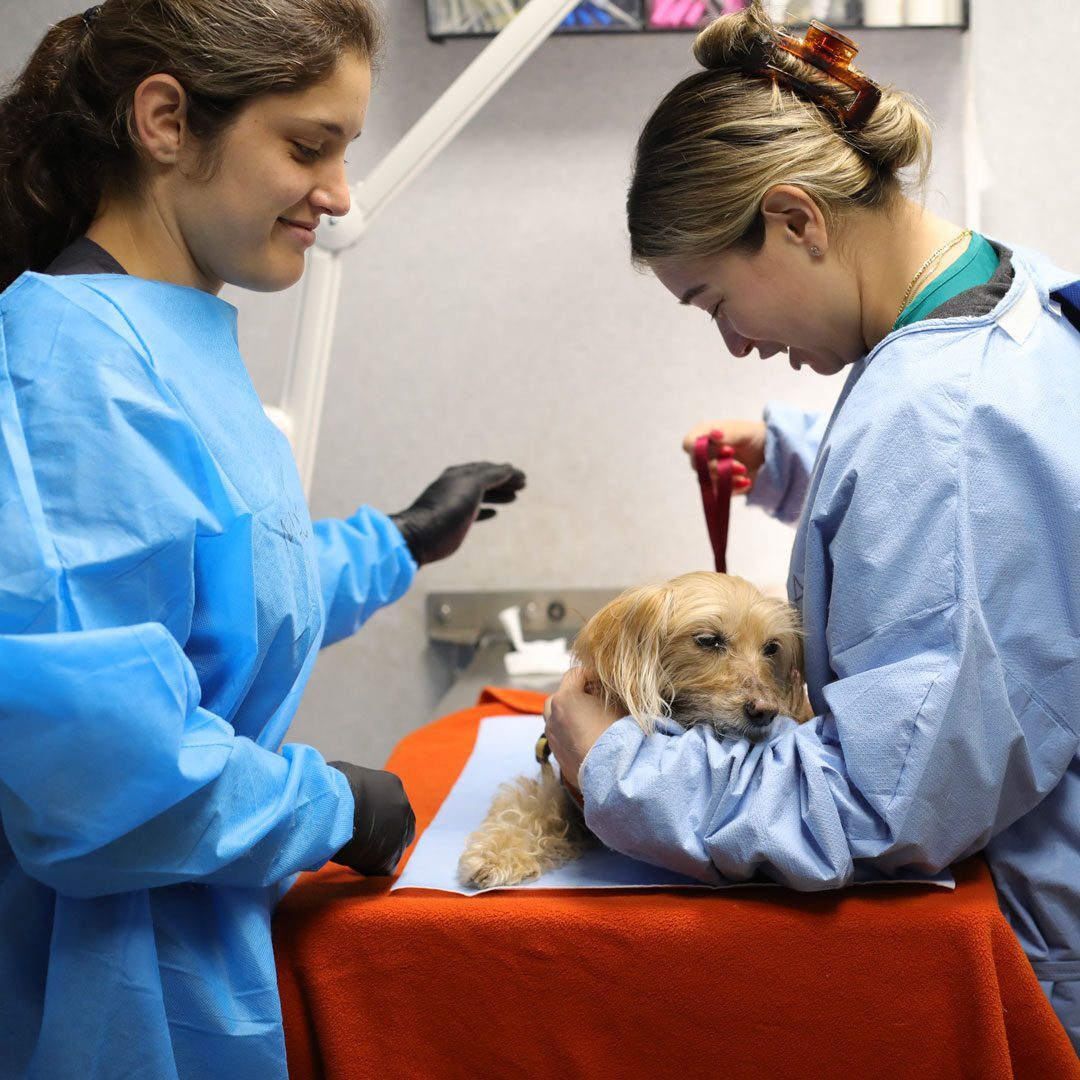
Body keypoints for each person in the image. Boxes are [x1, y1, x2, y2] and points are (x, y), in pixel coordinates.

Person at [543, 1, 1080, 1054]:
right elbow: (998, 529)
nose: (737, 344)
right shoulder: (1002, 290)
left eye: (713, 300)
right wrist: (794, 457)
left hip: (1031, 967)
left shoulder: (941, 428)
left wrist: (610, 764)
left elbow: (885, 809)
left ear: (794, 220)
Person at [0, 2, 524, 1076]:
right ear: (164, 120)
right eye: (308, 145)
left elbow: (222, 590)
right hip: (97, 992)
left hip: (197, 947)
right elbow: (99, 772)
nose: (338, 195)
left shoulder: (169, 331)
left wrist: (401, 541)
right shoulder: (67, 364)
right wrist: (333, 804)